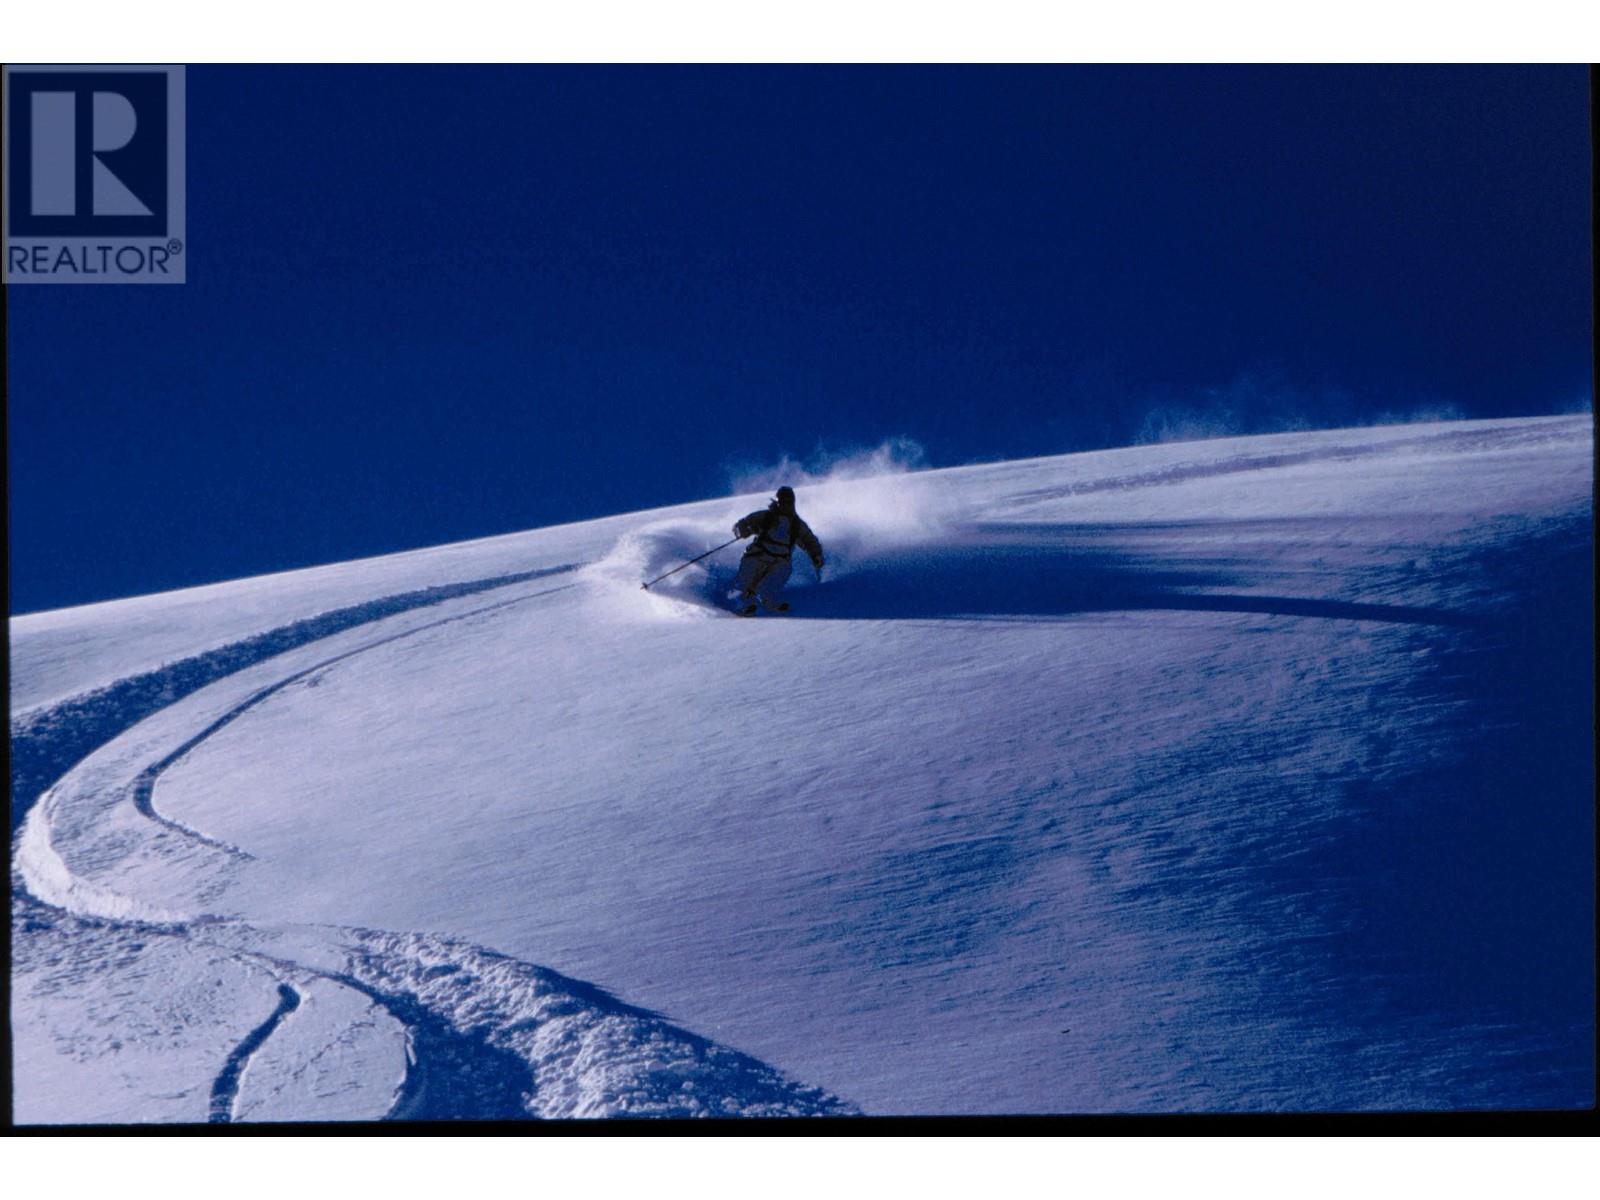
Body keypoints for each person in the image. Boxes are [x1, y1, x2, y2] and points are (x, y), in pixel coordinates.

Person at [731, 486, 824, 615]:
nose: (786, 505)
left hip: (780, 560)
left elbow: (809, 540)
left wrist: (816, 555)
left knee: (779, 575)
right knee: (745, 582)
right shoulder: (765, 516)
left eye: (789, 502)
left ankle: (770, 601)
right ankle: (742, 604)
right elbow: (741, 524)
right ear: (777, 501)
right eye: (783, 502)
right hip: (759, 554)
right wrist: (742, 530)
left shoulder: (796, 524)